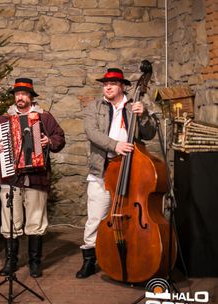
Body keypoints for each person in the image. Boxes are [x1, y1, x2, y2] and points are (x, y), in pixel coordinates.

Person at [76, 68, 156, 279]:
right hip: (102, 169)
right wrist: (115, 145)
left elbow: (149, 134)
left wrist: (145, 115)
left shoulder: (133, 106)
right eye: (105, 84)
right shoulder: (94, 106)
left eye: (112, 83)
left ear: (122, 86)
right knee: (96, 217)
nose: (107, 87)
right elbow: (91, 132)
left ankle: (132, 255)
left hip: (131, 169)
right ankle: (89, 260)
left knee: (132, 214)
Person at [0, 78, 65, 278]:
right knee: (9, 220)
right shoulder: (3, 119)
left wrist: (49, 140)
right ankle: (10, 262)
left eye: (24, 94)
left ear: (30, 96)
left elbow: (60, 138)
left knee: (35, 220)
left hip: (36, 177)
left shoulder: (44, 117)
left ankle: (34, 262)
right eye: (17, 94)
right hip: (10, 176)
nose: (20, 97)